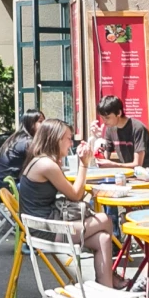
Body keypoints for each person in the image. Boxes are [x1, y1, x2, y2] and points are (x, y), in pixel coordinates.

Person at [17, 119, 119, 286]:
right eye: (69, 138)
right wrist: (83, 164)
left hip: (43, 225)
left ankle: (107, 295)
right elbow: (76, 195)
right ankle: (111, 280)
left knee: (103, 238)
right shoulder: (46, 165)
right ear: (56, 139)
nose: (71, 143)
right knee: (105, 220)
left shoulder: (40, 160)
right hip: (43, 230)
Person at [86, 94, 149, 169]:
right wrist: (98, 140)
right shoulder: (110, 129)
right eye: (102, 118)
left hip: (147, 173)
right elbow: (105, 158)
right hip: (126, 173)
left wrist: (113, 165)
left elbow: (138, 164)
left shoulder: (137, 128)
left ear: (119, 113)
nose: (104, 121)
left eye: (107, 117)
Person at [0, 111, 41, 204]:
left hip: (0, 187)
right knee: (45, 187)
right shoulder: (27, 142)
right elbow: (41, 165)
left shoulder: (17, 137)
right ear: (31, 124)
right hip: (8, 189)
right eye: (40, 121)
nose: (44, 125)